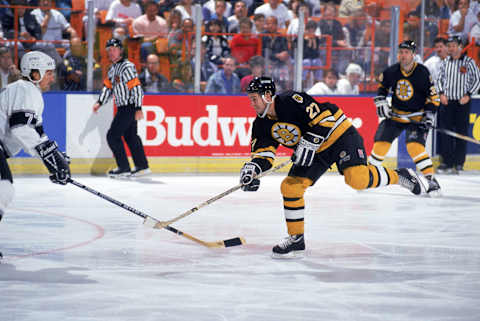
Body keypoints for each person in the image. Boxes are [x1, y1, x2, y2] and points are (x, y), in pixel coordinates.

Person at [240, 76, 424, 258]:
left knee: (357, 180)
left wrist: (310, 140)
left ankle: (399, 176)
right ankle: (296, 238)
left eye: (254, 98)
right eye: (250, 99)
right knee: (290, 187)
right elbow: (264, 155)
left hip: (340, 136)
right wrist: (253, 169)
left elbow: (326, 119)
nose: (252, 104)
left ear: (267, 95)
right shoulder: (260, 125)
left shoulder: (291, 100)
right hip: (315, 152)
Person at [0, 51, 71, 258]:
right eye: (48, 73)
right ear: (34, 73)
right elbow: (21, 128)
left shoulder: (25, 90)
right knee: (3, 189)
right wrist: (50, 160)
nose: (52, 77)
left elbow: (37, 132)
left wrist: (55, 156)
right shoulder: (26, 89)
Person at [368, 40, 442, 195]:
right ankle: (369, 175)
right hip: (396, 116)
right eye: (401, 52)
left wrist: (429, 114)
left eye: (406, 52)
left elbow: (433, 97)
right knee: (380, 143)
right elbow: (382, 87)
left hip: (417, 118)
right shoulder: (391, 71)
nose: (403, 55)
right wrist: (381, 101)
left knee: (414, 147)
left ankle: (430, 180)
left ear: (413, 54)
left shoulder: (422, 72)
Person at [92, 38, 150, 178]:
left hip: (128, 107)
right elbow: (107, 87)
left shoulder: (127, 67)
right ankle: (142, 166)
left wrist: (138, 107)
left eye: (114, 49)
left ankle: (124, 168)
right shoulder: (113, 69)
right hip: (124, 107)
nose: (111, 52)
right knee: (131, 136)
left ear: (120, 50)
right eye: (109, 50)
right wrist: (100, 102)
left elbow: (136, 87)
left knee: (112, 136)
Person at [436, 35, 480, 173]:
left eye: (454, 45)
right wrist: (441, 93)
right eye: (449, 46)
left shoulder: (469, 62)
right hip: (447, 102)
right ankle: (447, 163)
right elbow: (438, 80)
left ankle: (459, 163)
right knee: (446, 133)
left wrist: (468, 94)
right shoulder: (444, 63)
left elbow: (477, 80)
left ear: (460, 47)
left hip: (462, 103)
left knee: (461, 133)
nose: (451, 48)